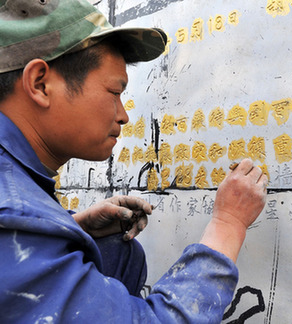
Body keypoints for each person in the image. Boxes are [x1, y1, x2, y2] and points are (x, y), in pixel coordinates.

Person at [0, 0, 268, 323]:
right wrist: (228, 225)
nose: (125, 115)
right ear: (41, 84)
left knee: (118, 251)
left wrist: (72, 227)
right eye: (115, 92)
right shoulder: (13, 214)